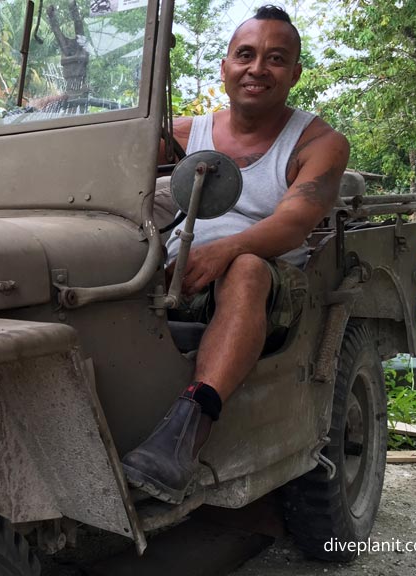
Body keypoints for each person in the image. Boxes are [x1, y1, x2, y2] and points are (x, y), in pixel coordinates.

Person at [121, 5, 350, 504]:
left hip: (272, 285)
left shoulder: (320, 142)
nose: (257, 69)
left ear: (295, 73)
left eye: (275, 58)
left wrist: (227, 250)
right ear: (224, 66)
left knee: (245, 270)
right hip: (184, 273)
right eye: (245, 55)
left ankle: (189, 428)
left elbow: (294, 223)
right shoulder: (185, 134)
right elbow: (108, 160)